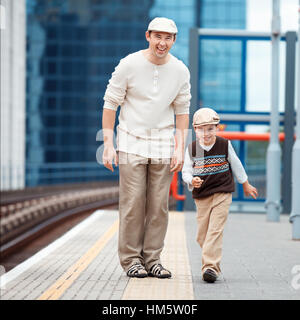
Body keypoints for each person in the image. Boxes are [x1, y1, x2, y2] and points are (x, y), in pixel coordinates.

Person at [102, 17, 191, 278]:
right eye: (158, 37)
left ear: (174, 41)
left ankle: (152, 260)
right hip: (131, 142)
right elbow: (110, 104)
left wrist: (179, 148)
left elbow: (182, 111)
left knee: (159, 207)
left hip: (163, 145)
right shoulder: (129, 64)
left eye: (168, 38)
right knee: (132, 204)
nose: (162, 43)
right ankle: (131, 261)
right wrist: (109, 145)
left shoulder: (180, 70)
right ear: (148, 36)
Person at [182, 107, 258, 283]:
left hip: (223, 193)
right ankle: (211, 258)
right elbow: (186, 171)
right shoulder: (192, 149)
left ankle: (210, 267)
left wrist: (245, 184)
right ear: (195, 129)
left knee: (215, 231)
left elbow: (236, 164)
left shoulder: (224, 144)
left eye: (210, 128)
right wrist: (191, 180)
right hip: (202, 196)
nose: (206, 133)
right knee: (202, 236)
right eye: (201, 129)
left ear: (217, 128)